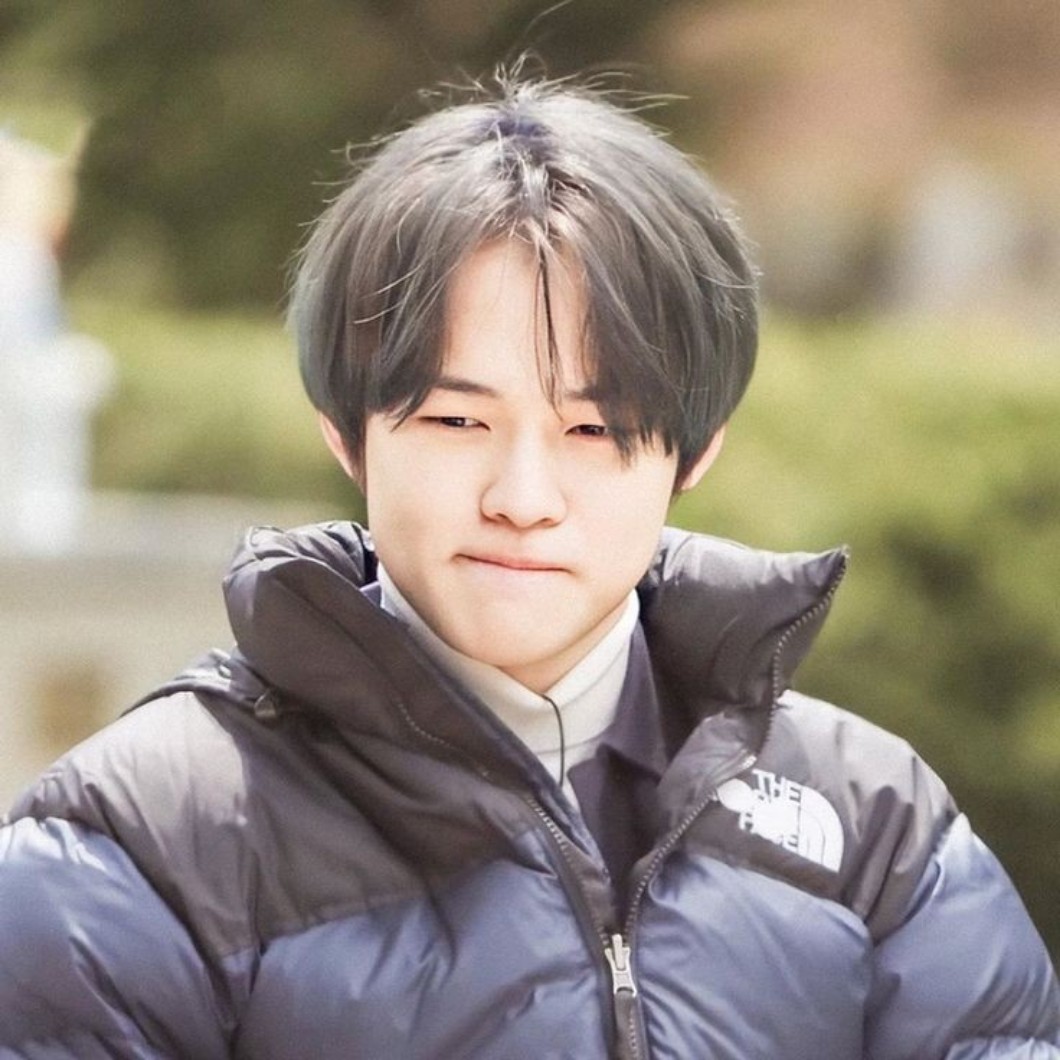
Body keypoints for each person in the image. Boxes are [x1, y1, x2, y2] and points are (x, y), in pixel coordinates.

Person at [1, 73, 1057, 1060]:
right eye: (457, 419)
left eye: (593, 430)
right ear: (346, 433)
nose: (522, 495)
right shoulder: (137, 845)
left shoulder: (870, 826)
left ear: (694, 453)